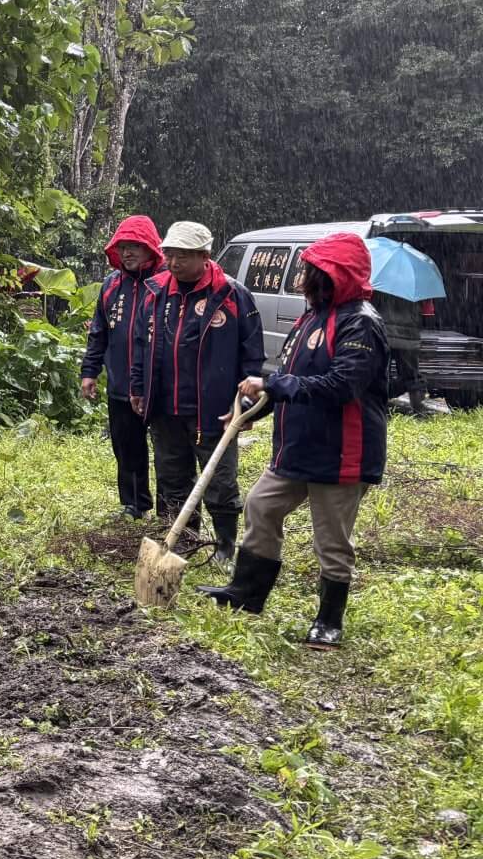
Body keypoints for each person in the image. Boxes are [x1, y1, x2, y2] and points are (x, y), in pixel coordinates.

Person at [204, 233, 389, 649]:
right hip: (297, 445)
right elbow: (289, 381)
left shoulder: (361, 322)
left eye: (309, 271)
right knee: (261, 505)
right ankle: (246, 593)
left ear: (332, 276)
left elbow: (341, 386)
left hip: (342, 450)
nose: (302, 278)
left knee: (331, 537)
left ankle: (329, 621)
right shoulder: (310, 318)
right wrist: (253, 410)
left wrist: (273, 383)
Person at [128, 220, 265, 570]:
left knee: (218, 480)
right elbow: (142, 344)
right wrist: (138, 388)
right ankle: (182, 543)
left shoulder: (232, 295)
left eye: (182, 257)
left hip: (214, 409)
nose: (173, 263)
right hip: (164, 406)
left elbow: (253, 359)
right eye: (169, 255)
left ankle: (224, 548)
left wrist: (245, 406)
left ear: (204, 256)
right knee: (172, 478)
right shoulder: (156, 291)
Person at [79, 215, 164, 520]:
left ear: (151, 249)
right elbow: (98, 332)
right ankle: (134, 504)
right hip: (120, 383)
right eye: (123, 247)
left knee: (168, 452)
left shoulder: (166, 283)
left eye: (135, 246)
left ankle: (170, 509)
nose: (127, 253)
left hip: (161, 385)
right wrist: (89, 372)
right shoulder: (111, 285)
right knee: (126, 447)